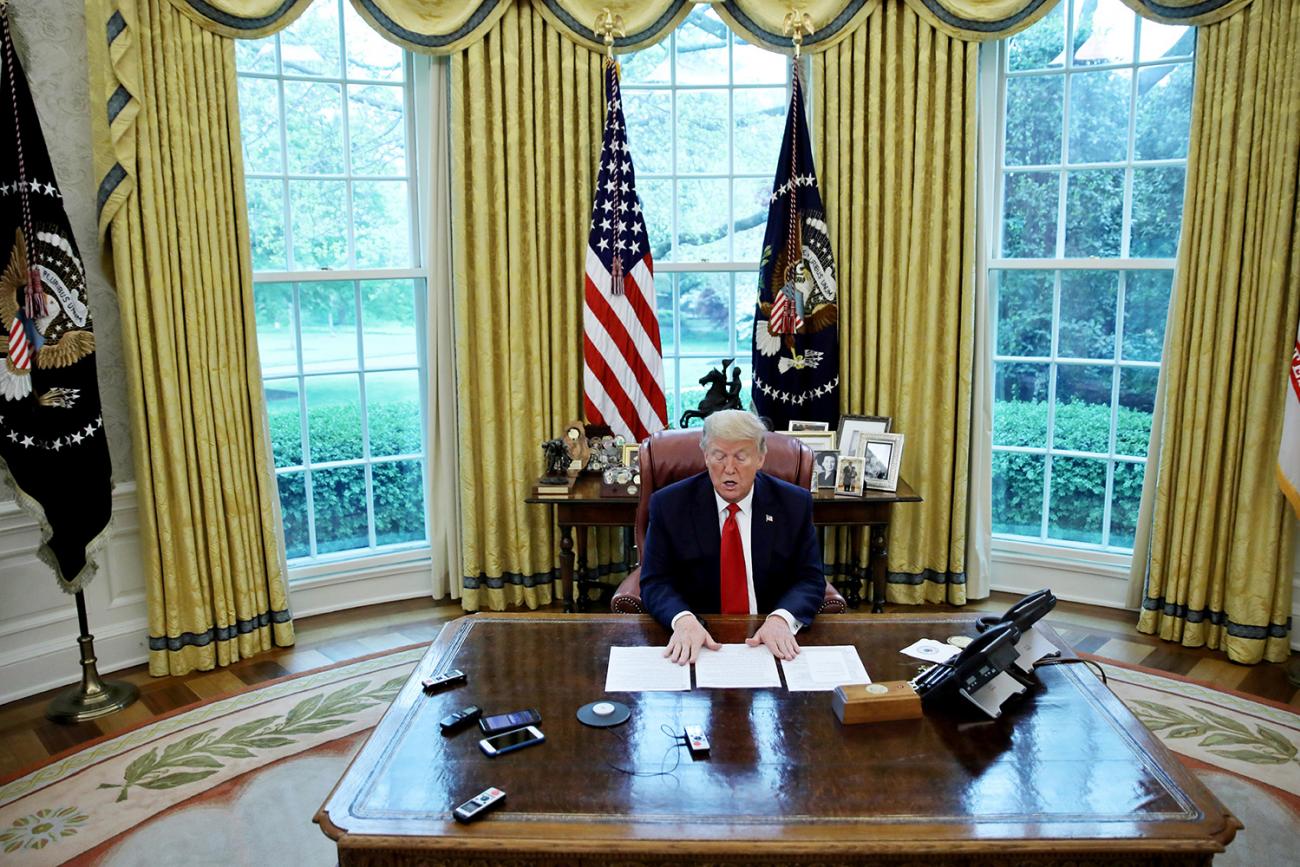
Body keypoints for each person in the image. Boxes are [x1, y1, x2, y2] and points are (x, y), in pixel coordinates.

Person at [639, 410, 825, 665]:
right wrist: (682, 619)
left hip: (769, 639)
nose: (729, 468)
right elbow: (655, 581)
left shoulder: (793, 504)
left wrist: (781, 619)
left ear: (760, 458)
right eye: (719, 456)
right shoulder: (669, 505)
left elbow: (810, 579)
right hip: (696, 640)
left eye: (740, 457)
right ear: (705, 456)